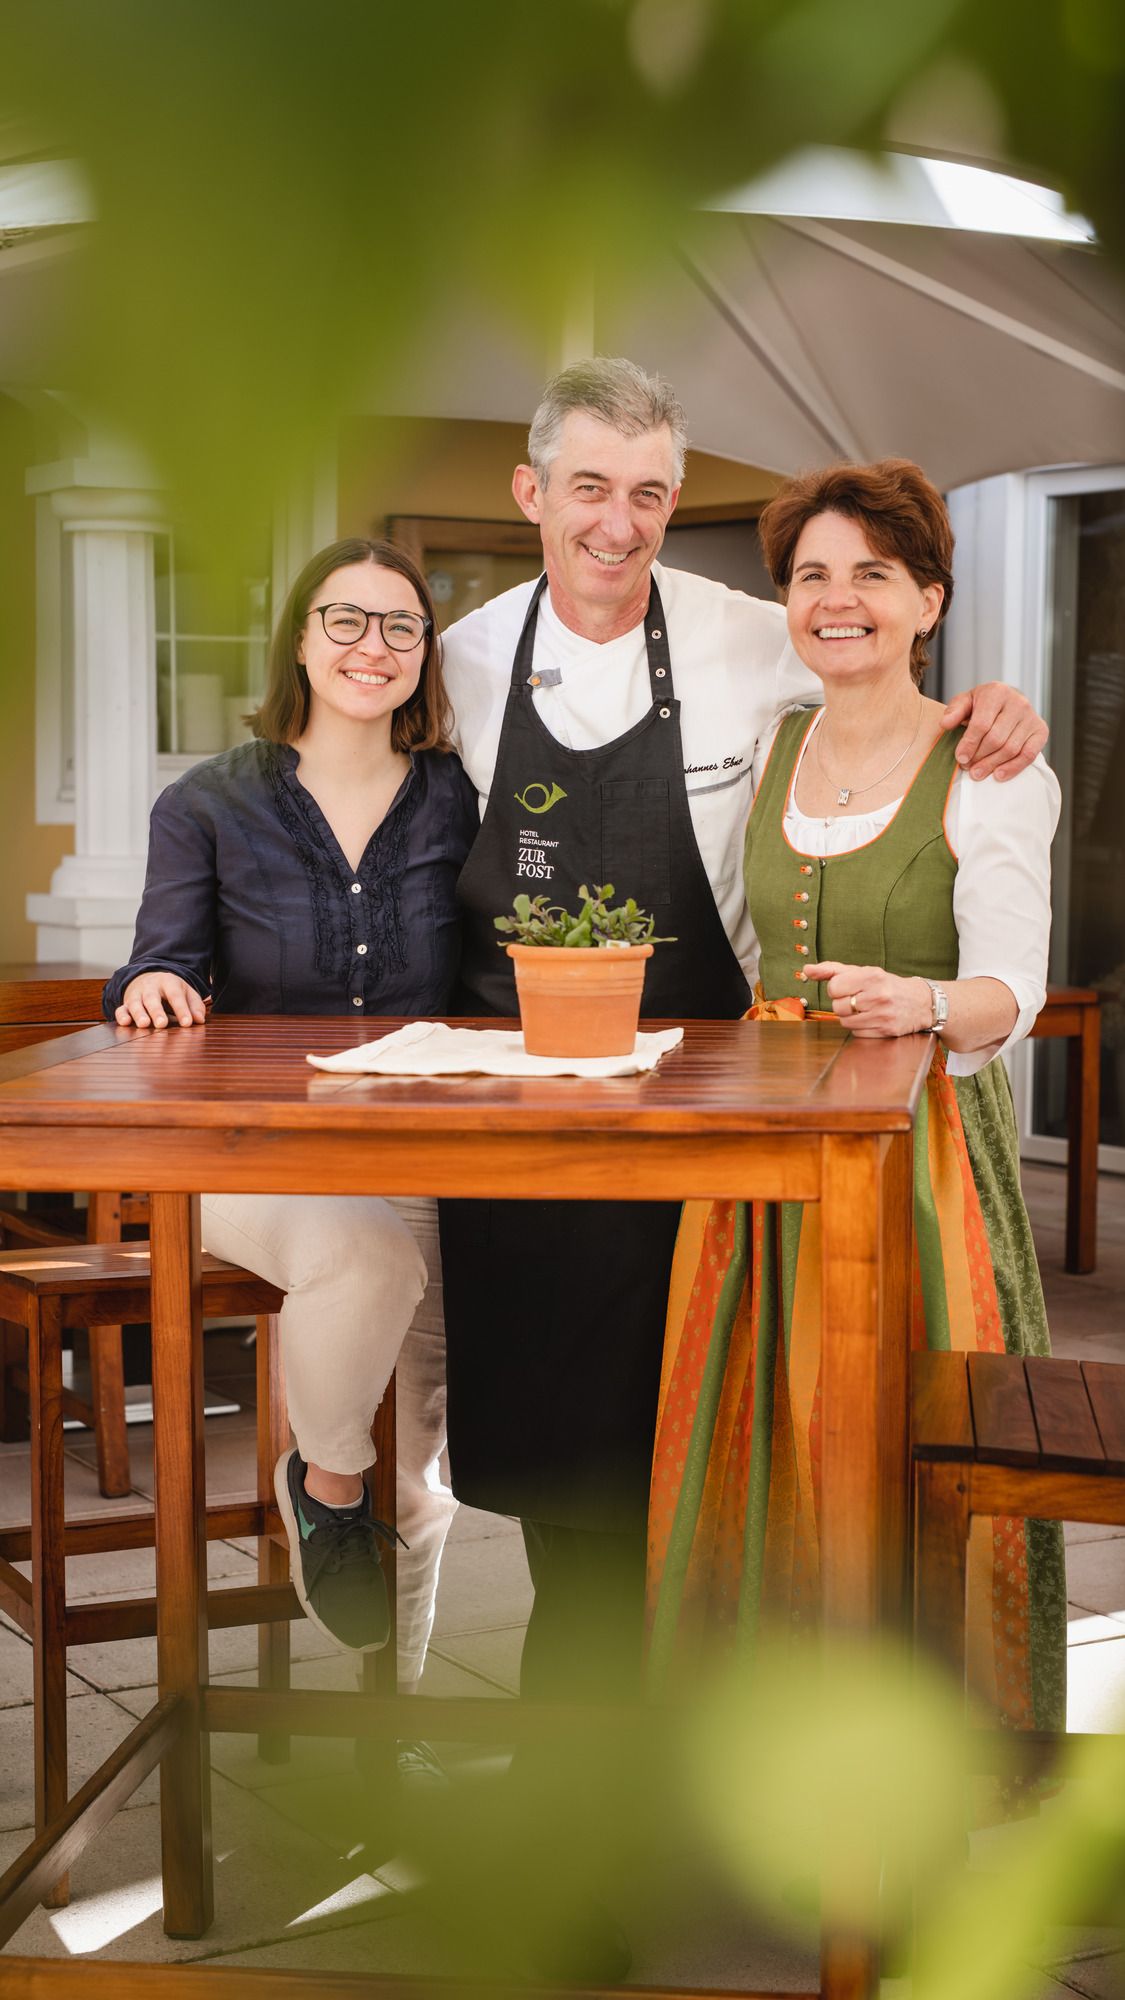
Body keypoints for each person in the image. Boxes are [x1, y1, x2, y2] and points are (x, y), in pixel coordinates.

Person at [437, 358, 1052, 1710]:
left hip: (715, 1128)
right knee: (563, 1482)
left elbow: (877, 664)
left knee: (738, 1457)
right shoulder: (459, 658)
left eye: (650, 492)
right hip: (528, 1135)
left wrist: (998, 705)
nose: (620, 522)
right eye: (589, 486)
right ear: (532, 492)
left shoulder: (744, 631)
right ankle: (594, 1744)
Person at [646, 459, 1066, 1751]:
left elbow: (1013, 990)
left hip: (915, 1157)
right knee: (753, 1438)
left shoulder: (989, 765)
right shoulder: (770, 741)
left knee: (893, 1453)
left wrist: (924, 1005)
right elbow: (735, 932)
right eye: (812, 577)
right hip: (761, 1161)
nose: (838, 602)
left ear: (928, 601)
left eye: (872, 576)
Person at [104, 537, 479, 1686]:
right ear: (302, 640)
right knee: (363, 1258)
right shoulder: (208, 802)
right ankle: (323, 1487)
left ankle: (395, 1719)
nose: (374, 647)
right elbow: (152, 965)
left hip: (419, 1148)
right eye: (347, 621)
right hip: (247, 1155)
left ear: (426, 652)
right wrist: (155, 986)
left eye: (401, 626)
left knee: (422, 1466)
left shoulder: (465, 800)